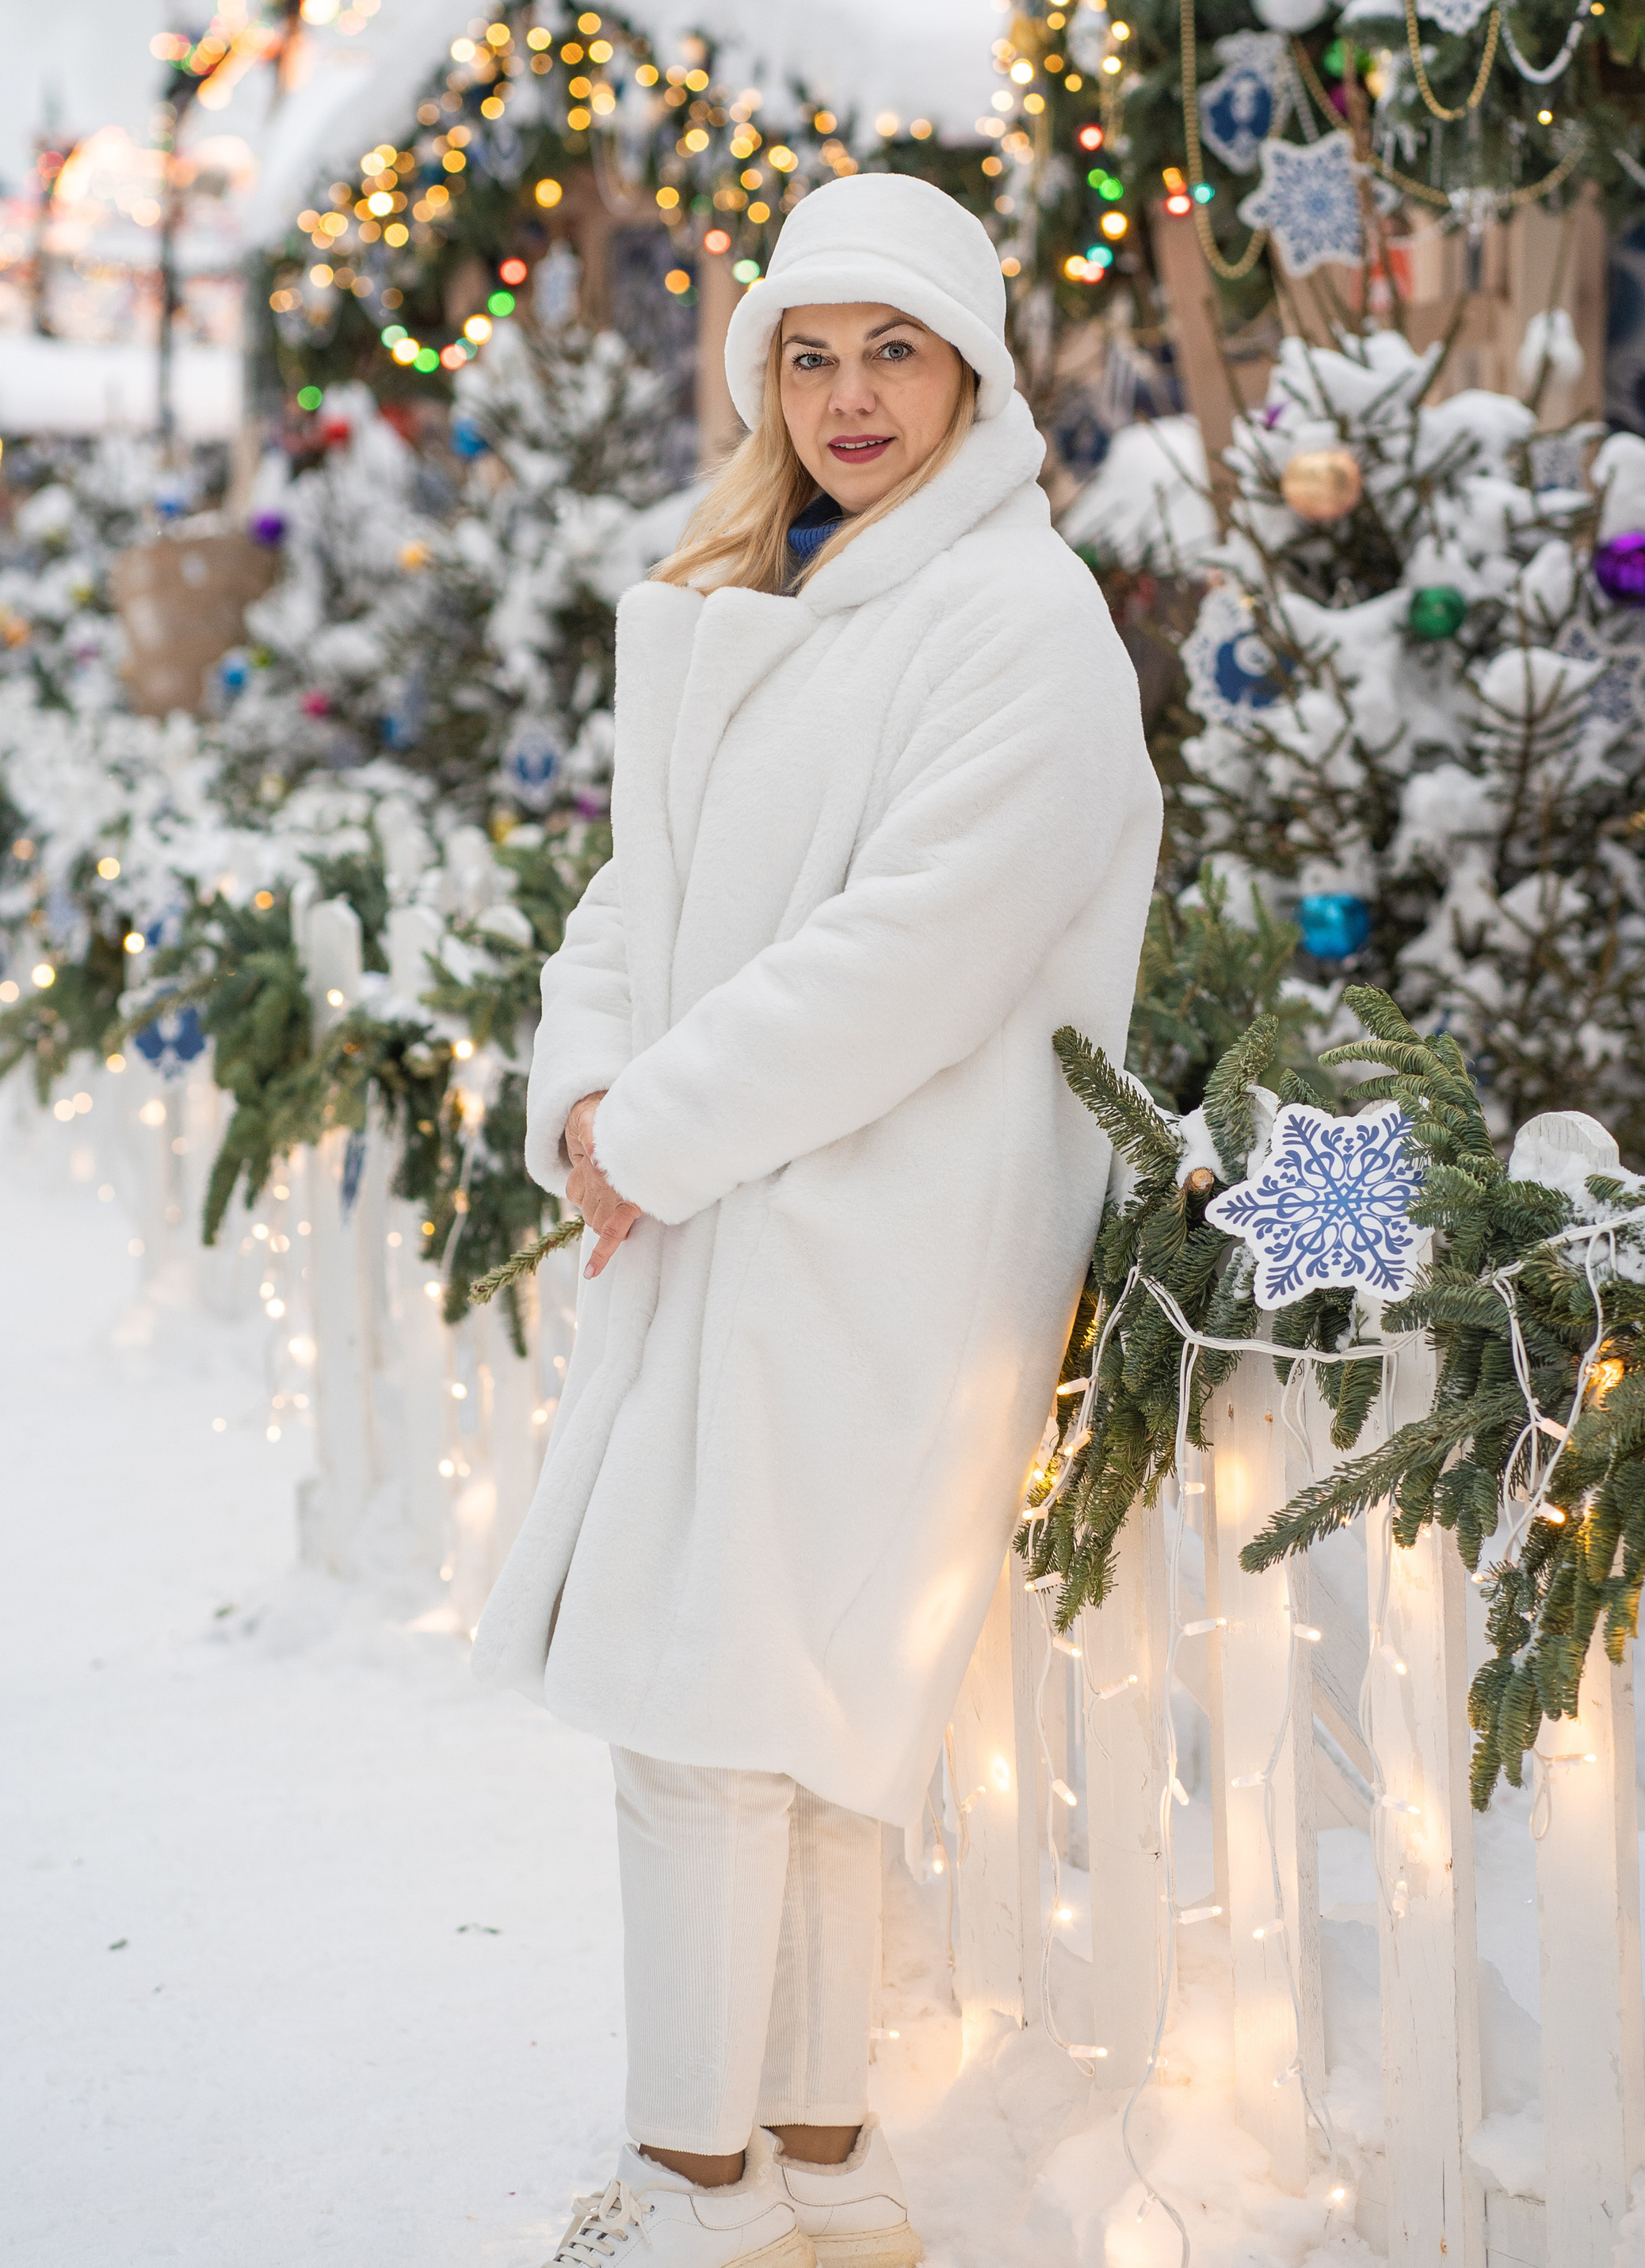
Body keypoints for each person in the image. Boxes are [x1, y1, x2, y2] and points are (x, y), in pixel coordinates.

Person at [473, 173, 1160, 2266]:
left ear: (968, 368)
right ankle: (822, 2176)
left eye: (895, 351)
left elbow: (917, 953)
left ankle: (696, 2195)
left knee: (730, 1719)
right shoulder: (751, 583)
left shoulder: (1016, 619)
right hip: (730, 1208)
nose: (851, 396)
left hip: (879, 1232)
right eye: (811, 350)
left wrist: (655, 1131)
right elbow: (635, 896)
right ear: (764, 367)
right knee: (774, 1712)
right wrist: (585, 1094)